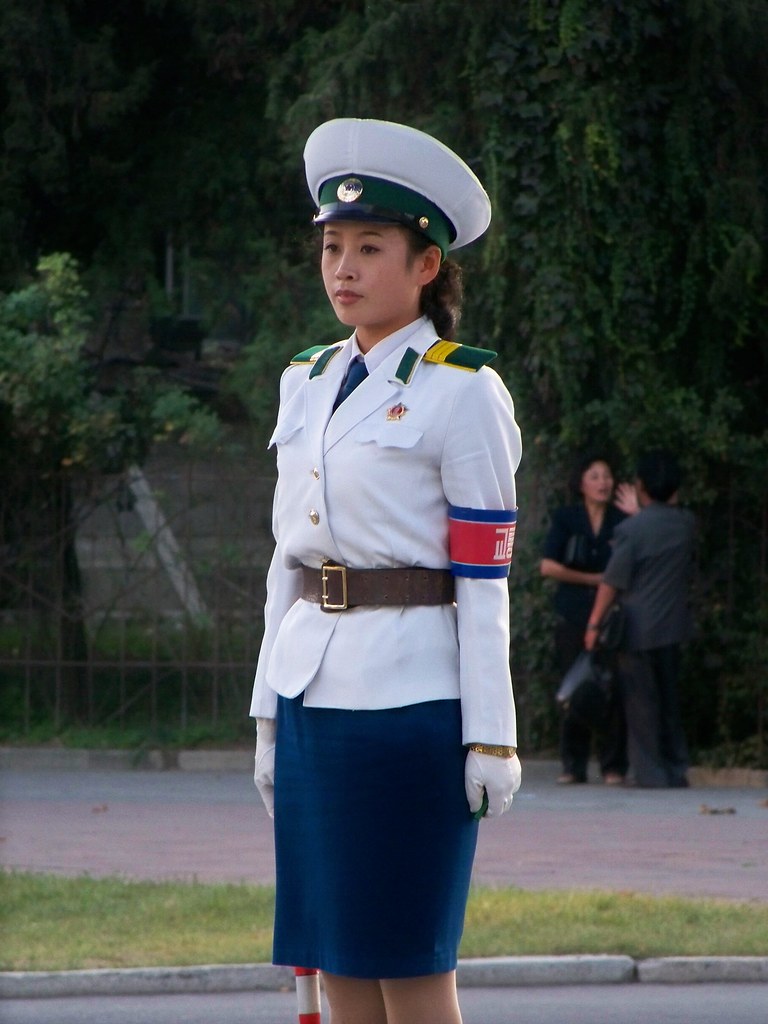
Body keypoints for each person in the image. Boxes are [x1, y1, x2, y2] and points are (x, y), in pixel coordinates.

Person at [250, 117, 523, 1024]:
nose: (344, 268)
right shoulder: (306, 377)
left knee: (410, 971)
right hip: (312, 700)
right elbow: (286, 560)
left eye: (371, 247)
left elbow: (484, 578)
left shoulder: (463, 389)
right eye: (333, 247)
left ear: (427, 267)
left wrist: (491, 734)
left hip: (413, 710)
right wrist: (264, 719)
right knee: (337, 972)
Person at [584, 450, 695, 788]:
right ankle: (677, 767)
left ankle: (651, 772)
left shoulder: (632, 529)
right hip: (674, 626)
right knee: (669, 700)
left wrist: (593, 625)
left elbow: (612, 582)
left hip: (636, 629)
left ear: (641, 487)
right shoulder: (687, 524)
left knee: (641, 703)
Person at [540, 453, 633, 784]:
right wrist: (595, 580)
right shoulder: (567, 518)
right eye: (594, 476)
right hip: (573, 612)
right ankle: (573, 764)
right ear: (581, 482)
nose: (602, 483)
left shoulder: (622, 520)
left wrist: (636, 514)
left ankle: (613, 765)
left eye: (607, 476)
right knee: (574, 684)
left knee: (614, 688)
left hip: (612, 618)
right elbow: (547, 566)